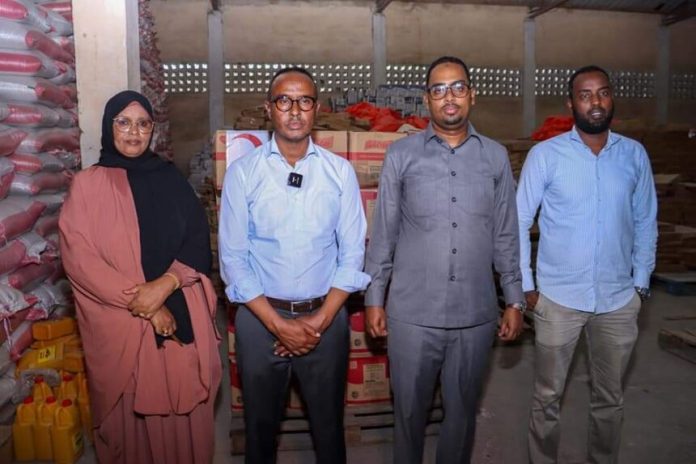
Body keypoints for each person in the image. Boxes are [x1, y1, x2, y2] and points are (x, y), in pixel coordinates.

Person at [364, 56, 526, 464]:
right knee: (409, 415)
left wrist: (514, 298)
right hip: (412, 315)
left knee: (462, 415)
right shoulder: (402, 155)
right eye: (438, 89)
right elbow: (384, 232)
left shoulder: (495, 157)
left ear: (472, 94)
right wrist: (374, 297)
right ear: (427, 100)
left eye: (457, 87)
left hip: (475, 314)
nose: (448, 97)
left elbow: (506, 232)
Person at [59, 90, 221, 464]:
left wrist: (166, 285)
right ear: (109, 127)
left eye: (143, 124)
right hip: (125, 323)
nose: (134, 132)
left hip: (180, 315)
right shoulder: (87, 186)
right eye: (124, 122)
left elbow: (197, 239)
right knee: (135, 427)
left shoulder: (172, 179)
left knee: (184, 414)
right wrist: (147, 305)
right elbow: (80, 260)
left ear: (153, 130)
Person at [218, 67, 370, 464]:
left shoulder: (339, 172)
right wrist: (278, 325)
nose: (295, 110)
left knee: (329, 430)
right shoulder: (244, 173)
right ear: (269, 108)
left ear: (316, 109)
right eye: (284, 100)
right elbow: (233, 258)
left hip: (326, 317)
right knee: (260, 431)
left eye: (304, 101)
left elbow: (352, 252)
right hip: (260, 318)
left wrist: (319, 321)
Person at [517, 65, 658, 464]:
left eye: (602, 93)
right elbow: (518, 221)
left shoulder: (633, 155)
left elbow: (646, 220)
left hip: (617, 300)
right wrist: (526, 285)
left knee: (610, 399)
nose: (595, 102)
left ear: (611, 98)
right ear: (571, 103)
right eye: (585, 95)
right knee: (547, 397)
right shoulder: (546, 156)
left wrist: (640, 283)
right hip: (558, 300)